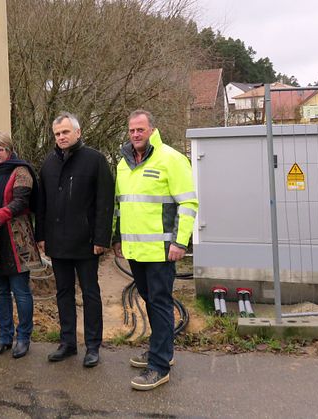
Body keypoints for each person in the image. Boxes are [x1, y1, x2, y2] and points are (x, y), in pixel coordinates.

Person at [112, 109, 198, 390]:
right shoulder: (124, 163)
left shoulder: (171, 159)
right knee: (150, 301)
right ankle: (161, 351)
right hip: (136, 250)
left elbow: (187, 204)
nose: (136, 134)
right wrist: (118, 239)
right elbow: (121, 205)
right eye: (131, 130)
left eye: (141, 129)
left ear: (152, 130)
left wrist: (179, 242)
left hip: (162, 250)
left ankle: (159, 366)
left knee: (160, 303)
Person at [35, 112, 114, 368]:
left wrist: (102, 237)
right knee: (63, 293)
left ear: (78, 133)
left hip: (87, 241)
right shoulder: (48, 163)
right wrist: (41, 236)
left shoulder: (95, 161)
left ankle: (93, 346)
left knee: (90, 293)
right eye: (57, 133)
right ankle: (67, 343)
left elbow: (105, 203)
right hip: (57, 242)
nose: (61, 137)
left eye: (66, 132)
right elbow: (42, 204)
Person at [0, 131, 42, 359]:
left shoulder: (21, 171)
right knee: (0, 291)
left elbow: (20, 201)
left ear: (8, 150)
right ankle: (4, 337)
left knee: (21, 292)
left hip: (17, 240)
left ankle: (23, 338)